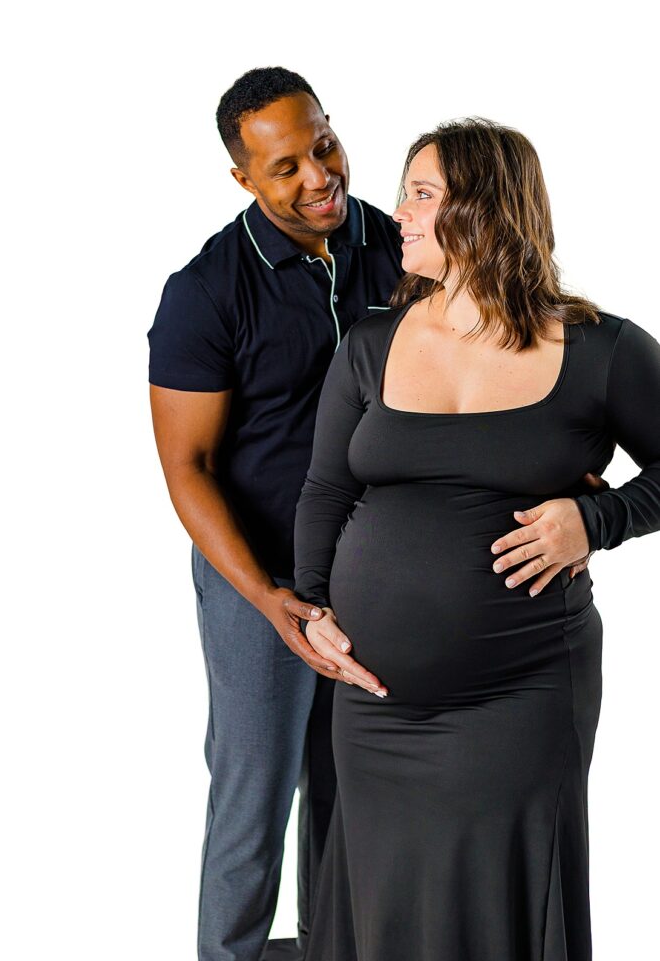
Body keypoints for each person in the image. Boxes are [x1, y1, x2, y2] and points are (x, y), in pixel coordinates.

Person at [293, 118, 660, 961]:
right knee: (381, 905)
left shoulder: (600, 349)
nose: (398, 212)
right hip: (377, 701)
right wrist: (313, 607)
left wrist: (596, 520)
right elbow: (325, 489)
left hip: (520, 695)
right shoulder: (371, 345)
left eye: (421, 195)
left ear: (485, 210)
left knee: (500, 905)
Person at [147, 67, 404, 961]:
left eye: (323, 146)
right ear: (244, 178)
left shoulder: (401, 246)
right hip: (260, 574)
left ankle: (331, 947)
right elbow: (186, 467)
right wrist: (266, 599)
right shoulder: (206, 290)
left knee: (348, 786)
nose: (318, 177)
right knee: (254, 791)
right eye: (285, 167)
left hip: (374, 565)